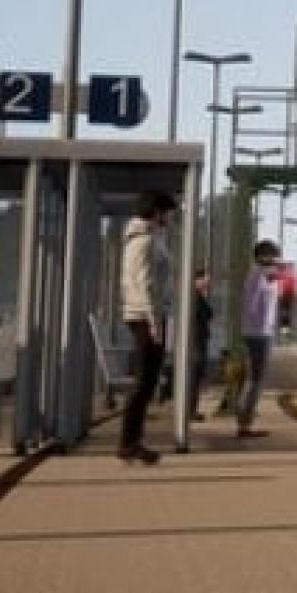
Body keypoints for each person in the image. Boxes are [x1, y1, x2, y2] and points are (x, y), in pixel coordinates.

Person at [118, 190, 175, 465]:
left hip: (144, 314)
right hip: (145, 315)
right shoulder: (145, 241)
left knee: (148, 382)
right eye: (168, 212)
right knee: (143, 382)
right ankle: (128, 444)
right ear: (157, 212)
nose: (171, 217)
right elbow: (146, 284)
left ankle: (133, 442)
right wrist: (154, 322)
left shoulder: (145, 238)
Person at [236, 240, 282, 438]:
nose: (275, 260)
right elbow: (253, 306)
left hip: (260, 331)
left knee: (255, 378)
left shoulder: (262, 275)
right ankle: (244, 423)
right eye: (272, 255)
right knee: (256, 379)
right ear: (262, 256)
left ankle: (245, 419)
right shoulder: (257, 275)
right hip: (258, 333)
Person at [187, 269, 215, 422]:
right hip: (196, 341)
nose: (207, 283)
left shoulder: (198, 296)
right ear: (196, 280)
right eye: (205, 279)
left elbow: (209, 313)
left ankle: (192, 409)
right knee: (194, 376)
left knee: (196, 377)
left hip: (199, 340)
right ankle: (190, 410)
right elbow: (207, 314)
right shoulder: (194, 297)